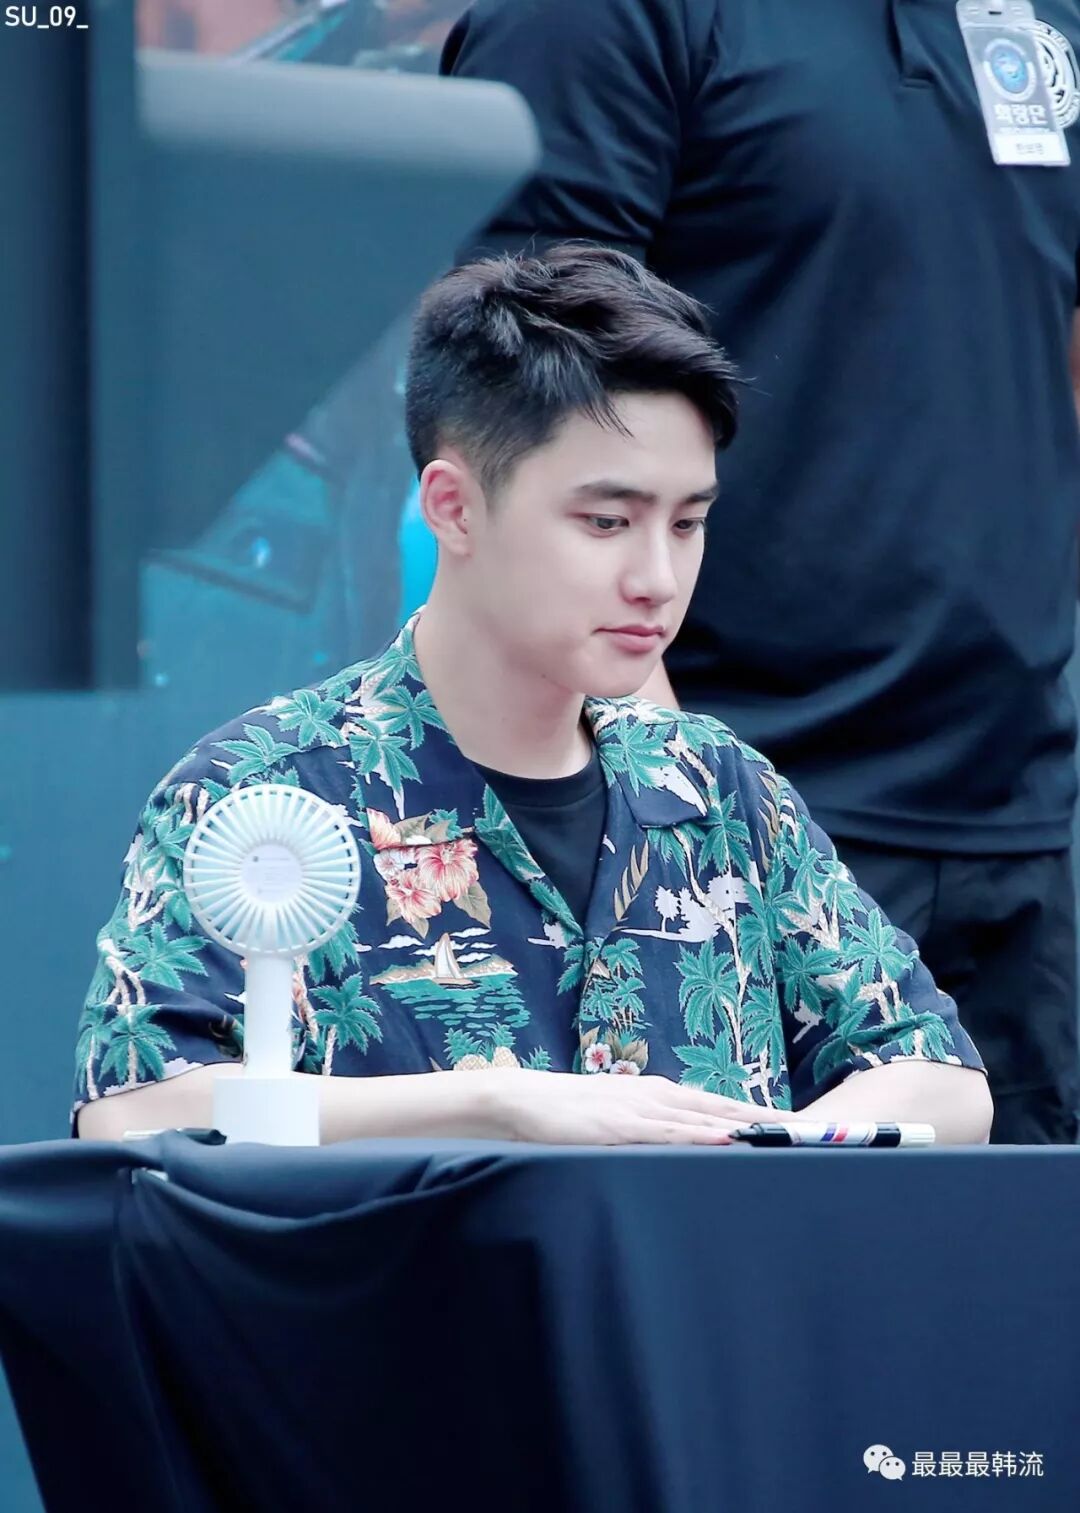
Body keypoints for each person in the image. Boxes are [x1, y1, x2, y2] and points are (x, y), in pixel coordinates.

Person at [74, 245, 991, 1146]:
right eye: (607, 521)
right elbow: (134, 1106)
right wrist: (497, 1106)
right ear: (453, 507)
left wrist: (755, 1153)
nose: (657, 578)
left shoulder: (720, 789)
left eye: (689, 523)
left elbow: (944, 1079)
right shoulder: (261, 790)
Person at [440, 0, 1080, 1145]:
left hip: (1024, 824)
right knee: (732, 1249)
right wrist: (668, 798)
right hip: (723, 810)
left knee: (1011, 1258)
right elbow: (518, 387)